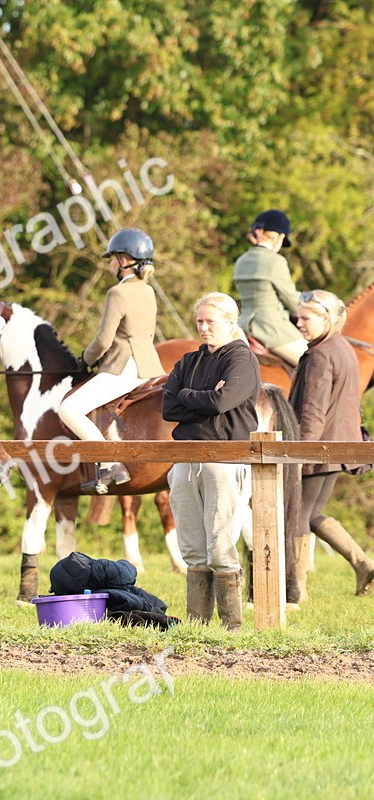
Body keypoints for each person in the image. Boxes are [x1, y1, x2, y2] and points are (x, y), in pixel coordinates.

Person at [162, 293, 261, 632]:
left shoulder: (241, 359)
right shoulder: (187, 361)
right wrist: (198, 398)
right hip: (186, 456)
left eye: (211, 322)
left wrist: (188, 395)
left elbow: (223, 401)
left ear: (230, 322)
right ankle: (197, 627)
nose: (203, 328)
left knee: (220, 543)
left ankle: (231, 626)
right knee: (191, 544)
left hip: (225, 457)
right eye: (200, 321)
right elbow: (168, 409)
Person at [58, 228, 164, 493]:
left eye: (112, 258)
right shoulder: (148, 291)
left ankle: (109, 463)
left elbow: (104, 340)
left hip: (124, 365)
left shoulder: (117, 293)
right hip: (149, 365)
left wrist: (85, 359)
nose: (109, 263)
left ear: (124, 259)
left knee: (68, 409)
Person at [288, 290, 374, 597]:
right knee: (312, 514)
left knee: (298, 515)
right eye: (299, 317)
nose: (299, 323)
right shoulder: (342, 347)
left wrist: (299, 456)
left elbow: (312, 411)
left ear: (327, 319)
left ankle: (295, 593)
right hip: (337, 446)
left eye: (306, 318)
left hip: (320, 447)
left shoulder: (321, 355)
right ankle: (363, 564)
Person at [233, 209, 307, 366]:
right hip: (272, 330)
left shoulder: (241, 261)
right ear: (279, 237)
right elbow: (292, 302)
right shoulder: (275, 261)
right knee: (313, 363)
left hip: (242, 328)